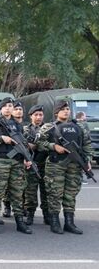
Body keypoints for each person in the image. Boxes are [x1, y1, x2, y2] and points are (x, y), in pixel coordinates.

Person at [37, 100, 91, 234]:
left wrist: (87, 160)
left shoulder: (80, 126)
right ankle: (55, 222)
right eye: (63, 109)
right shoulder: (49, 126)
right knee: (55, 193)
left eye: (67, 109)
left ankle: (69, 223)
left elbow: (86, 145)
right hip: (56, 165)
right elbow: (38, 143)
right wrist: (53, 146)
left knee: (71, 193)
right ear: (56, 112)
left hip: (75, 164)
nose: (66, 111)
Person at [0, 97, 32, 234]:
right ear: (1, 109)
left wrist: (26, 158)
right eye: (5, 106)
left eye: (11, 106)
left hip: (17, 162)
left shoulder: (18, 126)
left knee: (17, 193)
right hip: (1, 162)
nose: (8, 108)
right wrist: (1, 139)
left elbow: (23, 144)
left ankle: (20, 222)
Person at [23, 105, 49, 225]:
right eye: (36, 115)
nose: (38, 117)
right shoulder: (25, 130)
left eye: (41, 115)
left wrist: (37, 144)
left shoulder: (48, 128)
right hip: (31, 163)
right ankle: (30, 214)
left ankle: (47, 215)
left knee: (46, 191)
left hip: (46, 164)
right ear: (31, 116)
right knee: (30, 192)